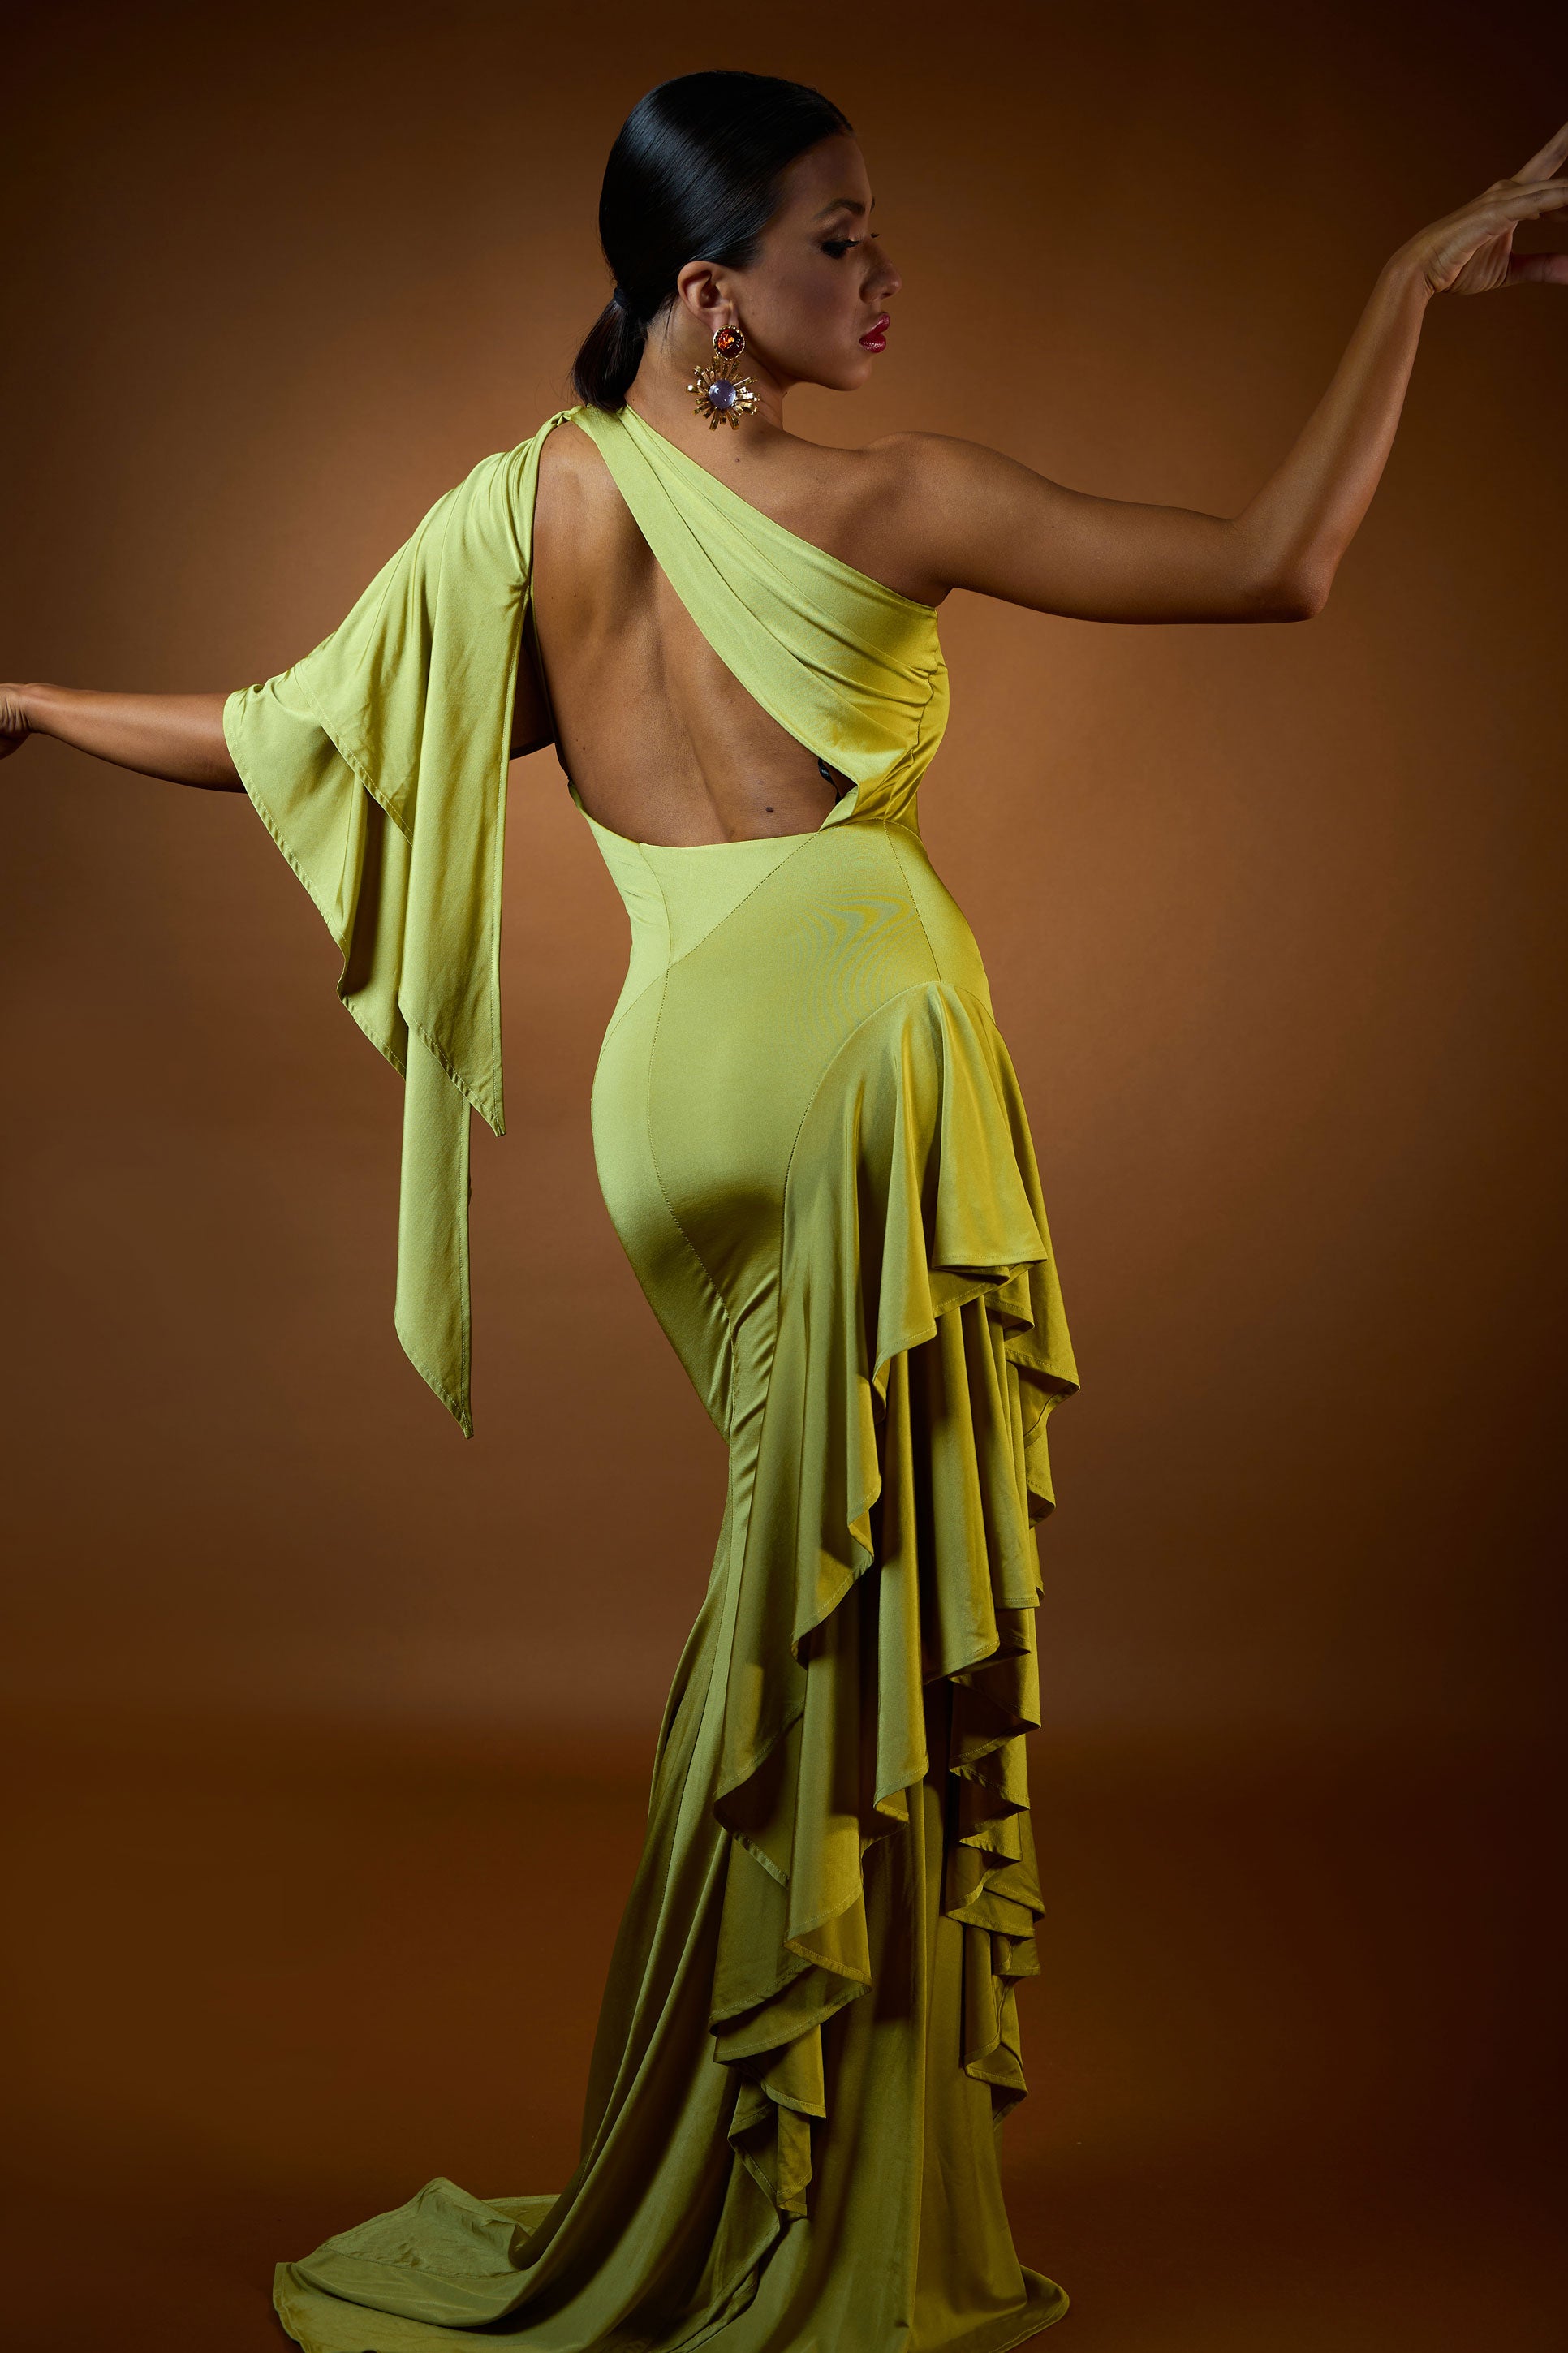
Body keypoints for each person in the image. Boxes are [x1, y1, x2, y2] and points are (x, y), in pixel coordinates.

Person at [5, 67, 1565, 2353]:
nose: (882, 272)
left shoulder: (525, 507)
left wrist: (35, 699)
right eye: (840, 239)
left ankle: (765, 2150)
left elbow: (283, 735)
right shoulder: (886, 501)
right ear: (711, 294)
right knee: (843, 1637)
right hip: (857, 1073)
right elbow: (1274, 564)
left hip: (672, 1095)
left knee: (784, 1618)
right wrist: (1410, 279)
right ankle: (758, 2192)